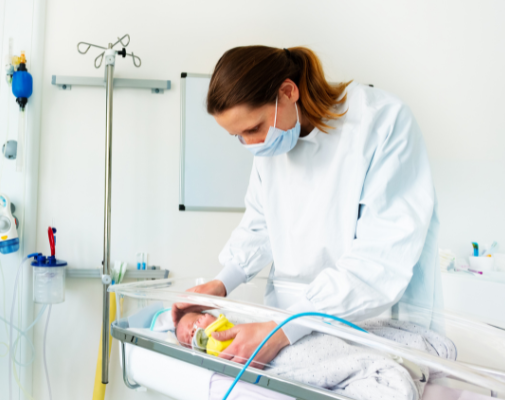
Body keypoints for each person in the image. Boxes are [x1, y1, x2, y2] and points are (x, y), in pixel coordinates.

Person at [172, 45, 442, 369]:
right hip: (288, 332)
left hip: (375, 326)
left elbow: (378, 261)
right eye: (238, 136)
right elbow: (260, 225)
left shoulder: (381, 123)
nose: (250, 144)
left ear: (288, 92)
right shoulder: (271, 145)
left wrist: (281, 330)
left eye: (253, 128)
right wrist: (220, 284)